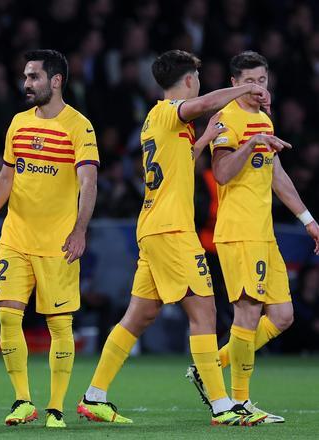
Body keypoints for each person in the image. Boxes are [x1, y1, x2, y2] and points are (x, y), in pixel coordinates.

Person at [77, 50, 271, 426]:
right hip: (171, 230)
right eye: (196, 76)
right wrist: (245, 87)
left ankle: (94, 396)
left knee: (139, 315)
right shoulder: (170, 110)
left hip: (153, 227)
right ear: (188, 80)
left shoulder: (155, 121)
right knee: (205, 312)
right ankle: (221, 405)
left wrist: (204, 140)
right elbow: (198, 105)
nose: (198, 82)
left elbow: (176, 163)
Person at [0, 49, 99, 428]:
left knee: (59, 326)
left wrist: (79, 229)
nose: (27, 84)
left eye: (34, 77)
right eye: (25, 77)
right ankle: (23, 400)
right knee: (8, 317)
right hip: (15, 237)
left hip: (58, 242)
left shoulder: (79, 126)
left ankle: (56, 407)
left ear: (56, 81)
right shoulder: (18, 123)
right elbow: (6, 178)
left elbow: (88, 182)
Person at [187, 50, 319, 422]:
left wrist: (308, 219)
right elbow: (223, 172)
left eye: (262, 80)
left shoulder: (263, 119)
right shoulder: (225, 118)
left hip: (264, 233)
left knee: (282, 316)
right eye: (249, 81)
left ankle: (211, 365)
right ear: (234, 84)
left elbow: (277, 175)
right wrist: (253, 142)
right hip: (238, 231)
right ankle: (240, 403)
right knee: (246, 314)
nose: (258, 88)